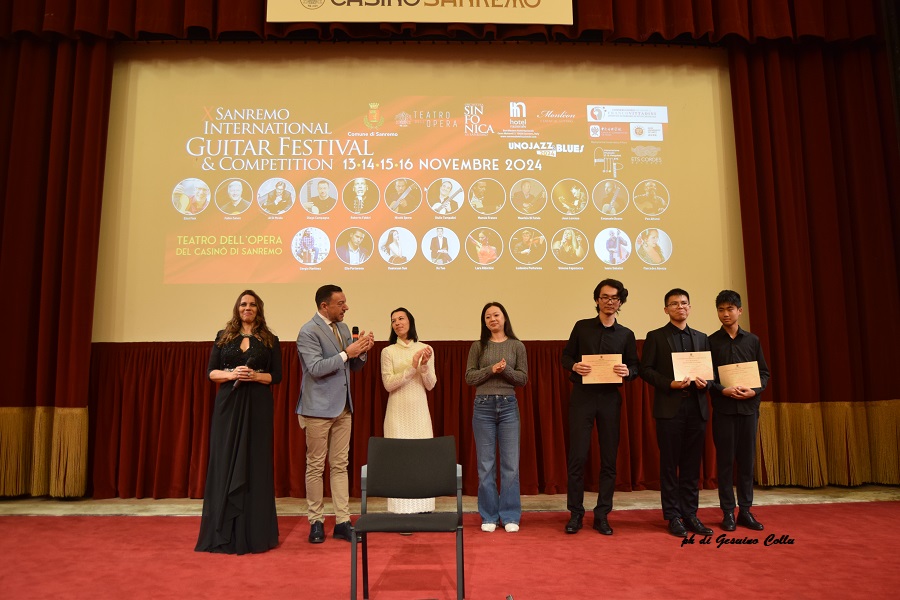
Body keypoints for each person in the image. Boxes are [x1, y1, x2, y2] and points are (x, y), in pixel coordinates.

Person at [195, 290, 282, 555]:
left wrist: (254, 376)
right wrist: (233, 374)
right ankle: (224, 532)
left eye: (253, 304)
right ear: (237, 308)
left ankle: (254, 534)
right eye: (243, 304)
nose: (248, 308)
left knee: (255, 463)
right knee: (224, 460)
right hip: (228, 405)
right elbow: (211, 373)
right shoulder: (223, 337)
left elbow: (276, 376)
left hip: (258, 406)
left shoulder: (270, 340)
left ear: (259, 309)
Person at [295, 284, 375, 544]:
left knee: (340, 465)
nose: (346, 307)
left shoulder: (343, 328)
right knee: (316, 466)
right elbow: (316, 368)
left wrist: (361, 352)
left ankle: (342, 521)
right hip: (317, 409)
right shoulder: (308, 331)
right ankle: (316, 521)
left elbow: (353, 366)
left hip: (343, 407)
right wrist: (346, 353)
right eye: (340, 303)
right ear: (324, 306)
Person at [560, 279, 639, 536]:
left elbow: (635, 366)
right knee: (577, 457)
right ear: (597, 300)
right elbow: (565, 356)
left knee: (608, 459)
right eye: (605, 297)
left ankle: (602, 514)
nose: (609, 302)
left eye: (615, 298)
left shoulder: (626, 334)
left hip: (609, 399)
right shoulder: (582, 327)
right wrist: (574, 366)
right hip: (582, 397)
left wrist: (628, 371)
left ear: (620, 302)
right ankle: (575, 513)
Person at [640, 288, 713, 538]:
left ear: (690, 307)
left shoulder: (702, 338)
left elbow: (711, 373)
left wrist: (706, 383)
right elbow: (646, 370)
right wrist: (669, 383)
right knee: (670, 466)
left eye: (684, 303)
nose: (680, 307)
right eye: (674, 304)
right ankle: (672, 516)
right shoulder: (656, 337)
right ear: (666, 309)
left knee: (692, 466)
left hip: (697, 407)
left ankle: (690, 514)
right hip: (669, 408)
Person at [708, 290, 770, 532]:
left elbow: (763, 373)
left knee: (746, 462)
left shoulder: (752, 340)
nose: (725, 314)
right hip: (723, 409)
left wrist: (754, 390)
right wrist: (722, 389)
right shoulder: (710, 341)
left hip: (748, 409)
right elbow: (708, 376)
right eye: (721, 310)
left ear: (739, 311)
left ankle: (745, 511)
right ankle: (727, 513)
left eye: (730, 309)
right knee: (725, 462)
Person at [465, 302, 528, 533]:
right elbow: (469, 377)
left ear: (504, 318)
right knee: (485, 465)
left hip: (509, 405)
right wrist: (491, 369)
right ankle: (489, 515)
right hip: (483, 406)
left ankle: (510, 515)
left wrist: (505, 370)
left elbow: (522, 379)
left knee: (511, 465)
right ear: (484, 322)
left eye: (496, 315)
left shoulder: (517, 345)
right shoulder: (478, 346)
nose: (492, 319)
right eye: (488, 317)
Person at [380, 308, 437, 514]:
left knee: (422, 460)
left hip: (419, 412)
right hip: (397, 413)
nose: (397, 323)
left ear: (410, 321)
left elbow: (430, 384)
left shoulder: (426, 349)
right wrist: (412, 367)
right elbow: (388, 384)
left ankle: (424, 508)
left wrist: (424, 366)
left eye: (401, 318)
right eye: (393, 320)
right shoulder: (388, 352)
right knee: (399, 461)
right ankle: (400, 510)